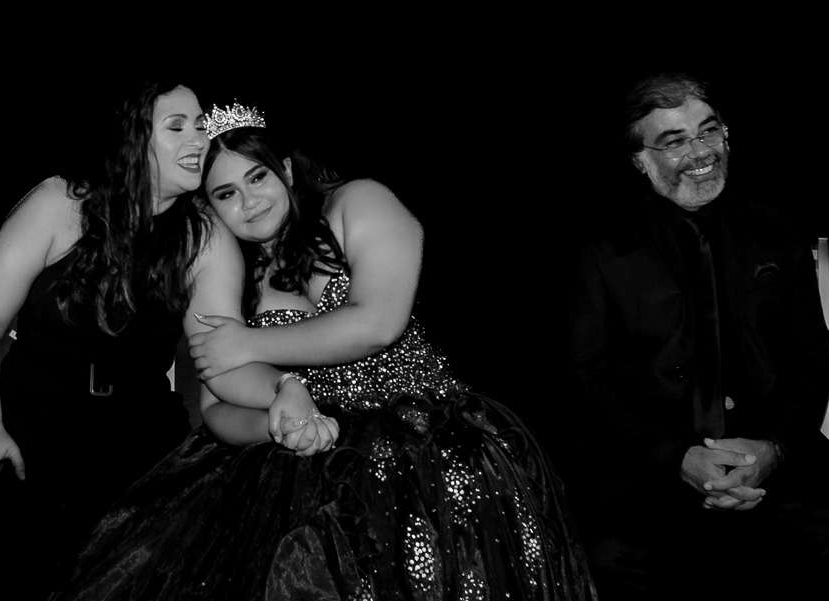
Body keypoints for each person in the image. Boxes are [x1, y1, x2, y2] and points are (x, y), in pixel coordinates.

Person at [53, 102, 597, 600]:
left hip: (429, 441)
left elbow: (378, 322)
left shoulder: (357, 201)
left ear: (287, 171)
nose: (249, 201)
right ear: (209, 208)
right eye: (226, 194)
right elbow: (217, 406)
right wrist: (280, 422)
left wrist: (248, 342)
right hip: (310, 459)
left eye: (258, 176)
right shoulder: (225, 274)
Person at [0, 83, 327, 599]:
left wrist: (282, 386)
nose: (199, 139)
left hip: (136, 441)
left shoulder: (205, 237)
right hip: (28, 423)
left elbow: (222, 360)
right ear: (133, 139)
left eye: (200, 125)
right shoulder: (62, 202)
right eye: (177, 127)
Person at [566, 73, 829, 599]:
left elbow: (812, 361)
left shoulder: (776, 229)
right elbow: (586, 378)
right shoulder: (601, 248)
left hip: (773, 455)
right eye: (675, 140)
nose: (701, 152)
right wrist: (678, 456)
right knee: (604, 560)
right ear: (641, 159)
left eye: (709, 131)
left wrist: (772, 450)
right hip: (651, 468)